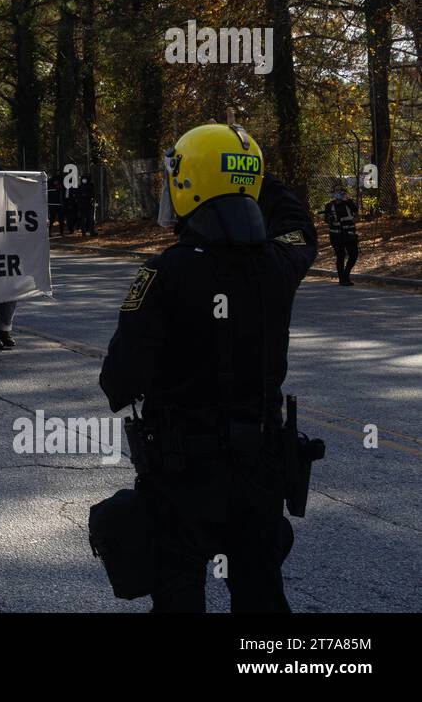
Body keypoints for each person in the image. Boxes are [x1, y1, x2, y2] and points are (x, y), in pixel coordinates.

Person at [96, 122, 317, 612]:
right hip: (259, 471)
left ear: (188, 183)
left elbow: (119, 381)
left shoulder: (164, 273)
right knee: (262, 595)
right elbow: (300, 227)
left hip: (182, 474)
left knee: (178, 596)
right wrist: (252, 173)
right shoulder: (278, 265)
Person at [323, 186, 359, 286]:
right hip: (336, 235)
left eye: (342, 192)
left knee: (354, 254)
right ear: (334, 194)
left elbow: (355, 211)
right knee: (340, 256)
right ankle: (342, 279)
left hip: (349, 234)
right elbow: (326, 220)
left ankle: (346, 275)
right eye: (338, 192)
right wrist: (330, 218)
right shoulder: (329, 205)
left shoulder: (349, 203)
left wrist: (346, 200)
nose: (340, 194)